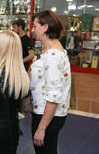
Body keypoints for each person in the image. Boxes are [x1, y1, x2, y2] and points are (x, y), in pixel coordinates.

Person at [30, 10, 71, 154]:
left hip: (46, 115)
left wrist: (41, 128)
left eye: (35, 26)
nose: (32, 29)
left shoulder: (53, 56)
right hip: (50, 113)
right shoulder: (54, 51)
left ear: (45, 27)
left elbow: (53, 95)